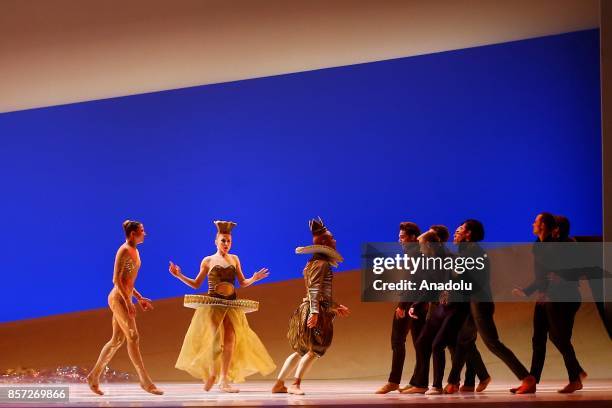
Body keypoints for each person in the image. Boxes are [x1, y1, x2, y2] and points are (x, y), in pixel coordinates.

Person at [169, 220, 275, 393]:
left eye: (229, 241)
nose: (226, 244)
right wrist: (179, 275)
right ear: (216, 241)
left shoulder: (235, 259)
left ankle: (223, 379)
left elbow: (242, 282)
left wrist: (254, 278)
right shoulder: (208, 260)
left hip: (231, 305)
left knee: (230, 340)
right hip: (214, 305)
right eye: (223, 240)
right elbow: (196, 284)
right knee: (216, 340)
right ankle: (212, 374)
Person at [444, 219, 536, 394]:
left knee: (492, 343)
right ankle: (454, 382)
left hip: (480, 304)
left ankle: (527, 378)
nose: (456, 232)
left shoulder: (473, 253)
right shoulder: (468, 251)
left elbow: (470, 281)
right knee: (463, 340)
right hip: (475, 303)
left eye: (461, 229)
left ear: (469, 234)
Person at [272, 217, 350, 395]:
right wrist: (315, 313)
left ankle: (279, 383)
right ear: (324, 242)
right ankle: (295, 384)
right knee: (315, 349)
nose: (335, 240)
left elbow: (320, 292)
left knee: (301, 349)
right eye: (332, 238)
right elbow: (314, 289)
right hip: (313, 310)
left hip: (312, 307)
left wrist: (335, 306)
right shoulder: (321, 264)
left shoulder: (312, 263)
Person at [87, 220, 163, 396]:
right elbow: (116, 280)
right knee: (133, 336)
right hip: (118, 299)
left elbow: (127, 281)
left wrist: (138, 297)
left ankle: (93, 376)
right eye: (142, 231)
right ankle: (145, 381)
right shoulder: (124, 250)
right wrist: (128, 302)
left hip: (125, 298)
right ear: (132, 234)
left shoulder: (135, 251)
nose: (145, 233)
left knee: (116, 341)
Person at [512, 213, 586, 393]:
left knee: (559, 337)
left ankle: (575, 377)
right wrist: (530, 291)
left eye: (537, 222)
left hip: (562, 298)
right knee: (539, 339)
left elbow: (579, 271)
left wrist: (559, 281)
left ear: (555, 229)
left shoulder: (564, 246)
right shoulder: (540, 245)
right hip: (546, 297)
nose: (533, 224)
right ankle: (532, 381)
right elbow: (542, 275)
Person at [376, 222, 426, 394]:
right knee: (419, 344)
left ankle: (394, 381)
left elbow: (412, 283)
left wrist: (402, 306)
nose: (400, 241)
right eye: (399, 238)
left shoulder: (414, 255)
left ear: (413, 237)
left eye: (402, 237)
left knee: (398, 341)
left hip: (412, 305)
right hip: (418, 304)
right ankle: (417, 382)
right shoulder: (418, 254)